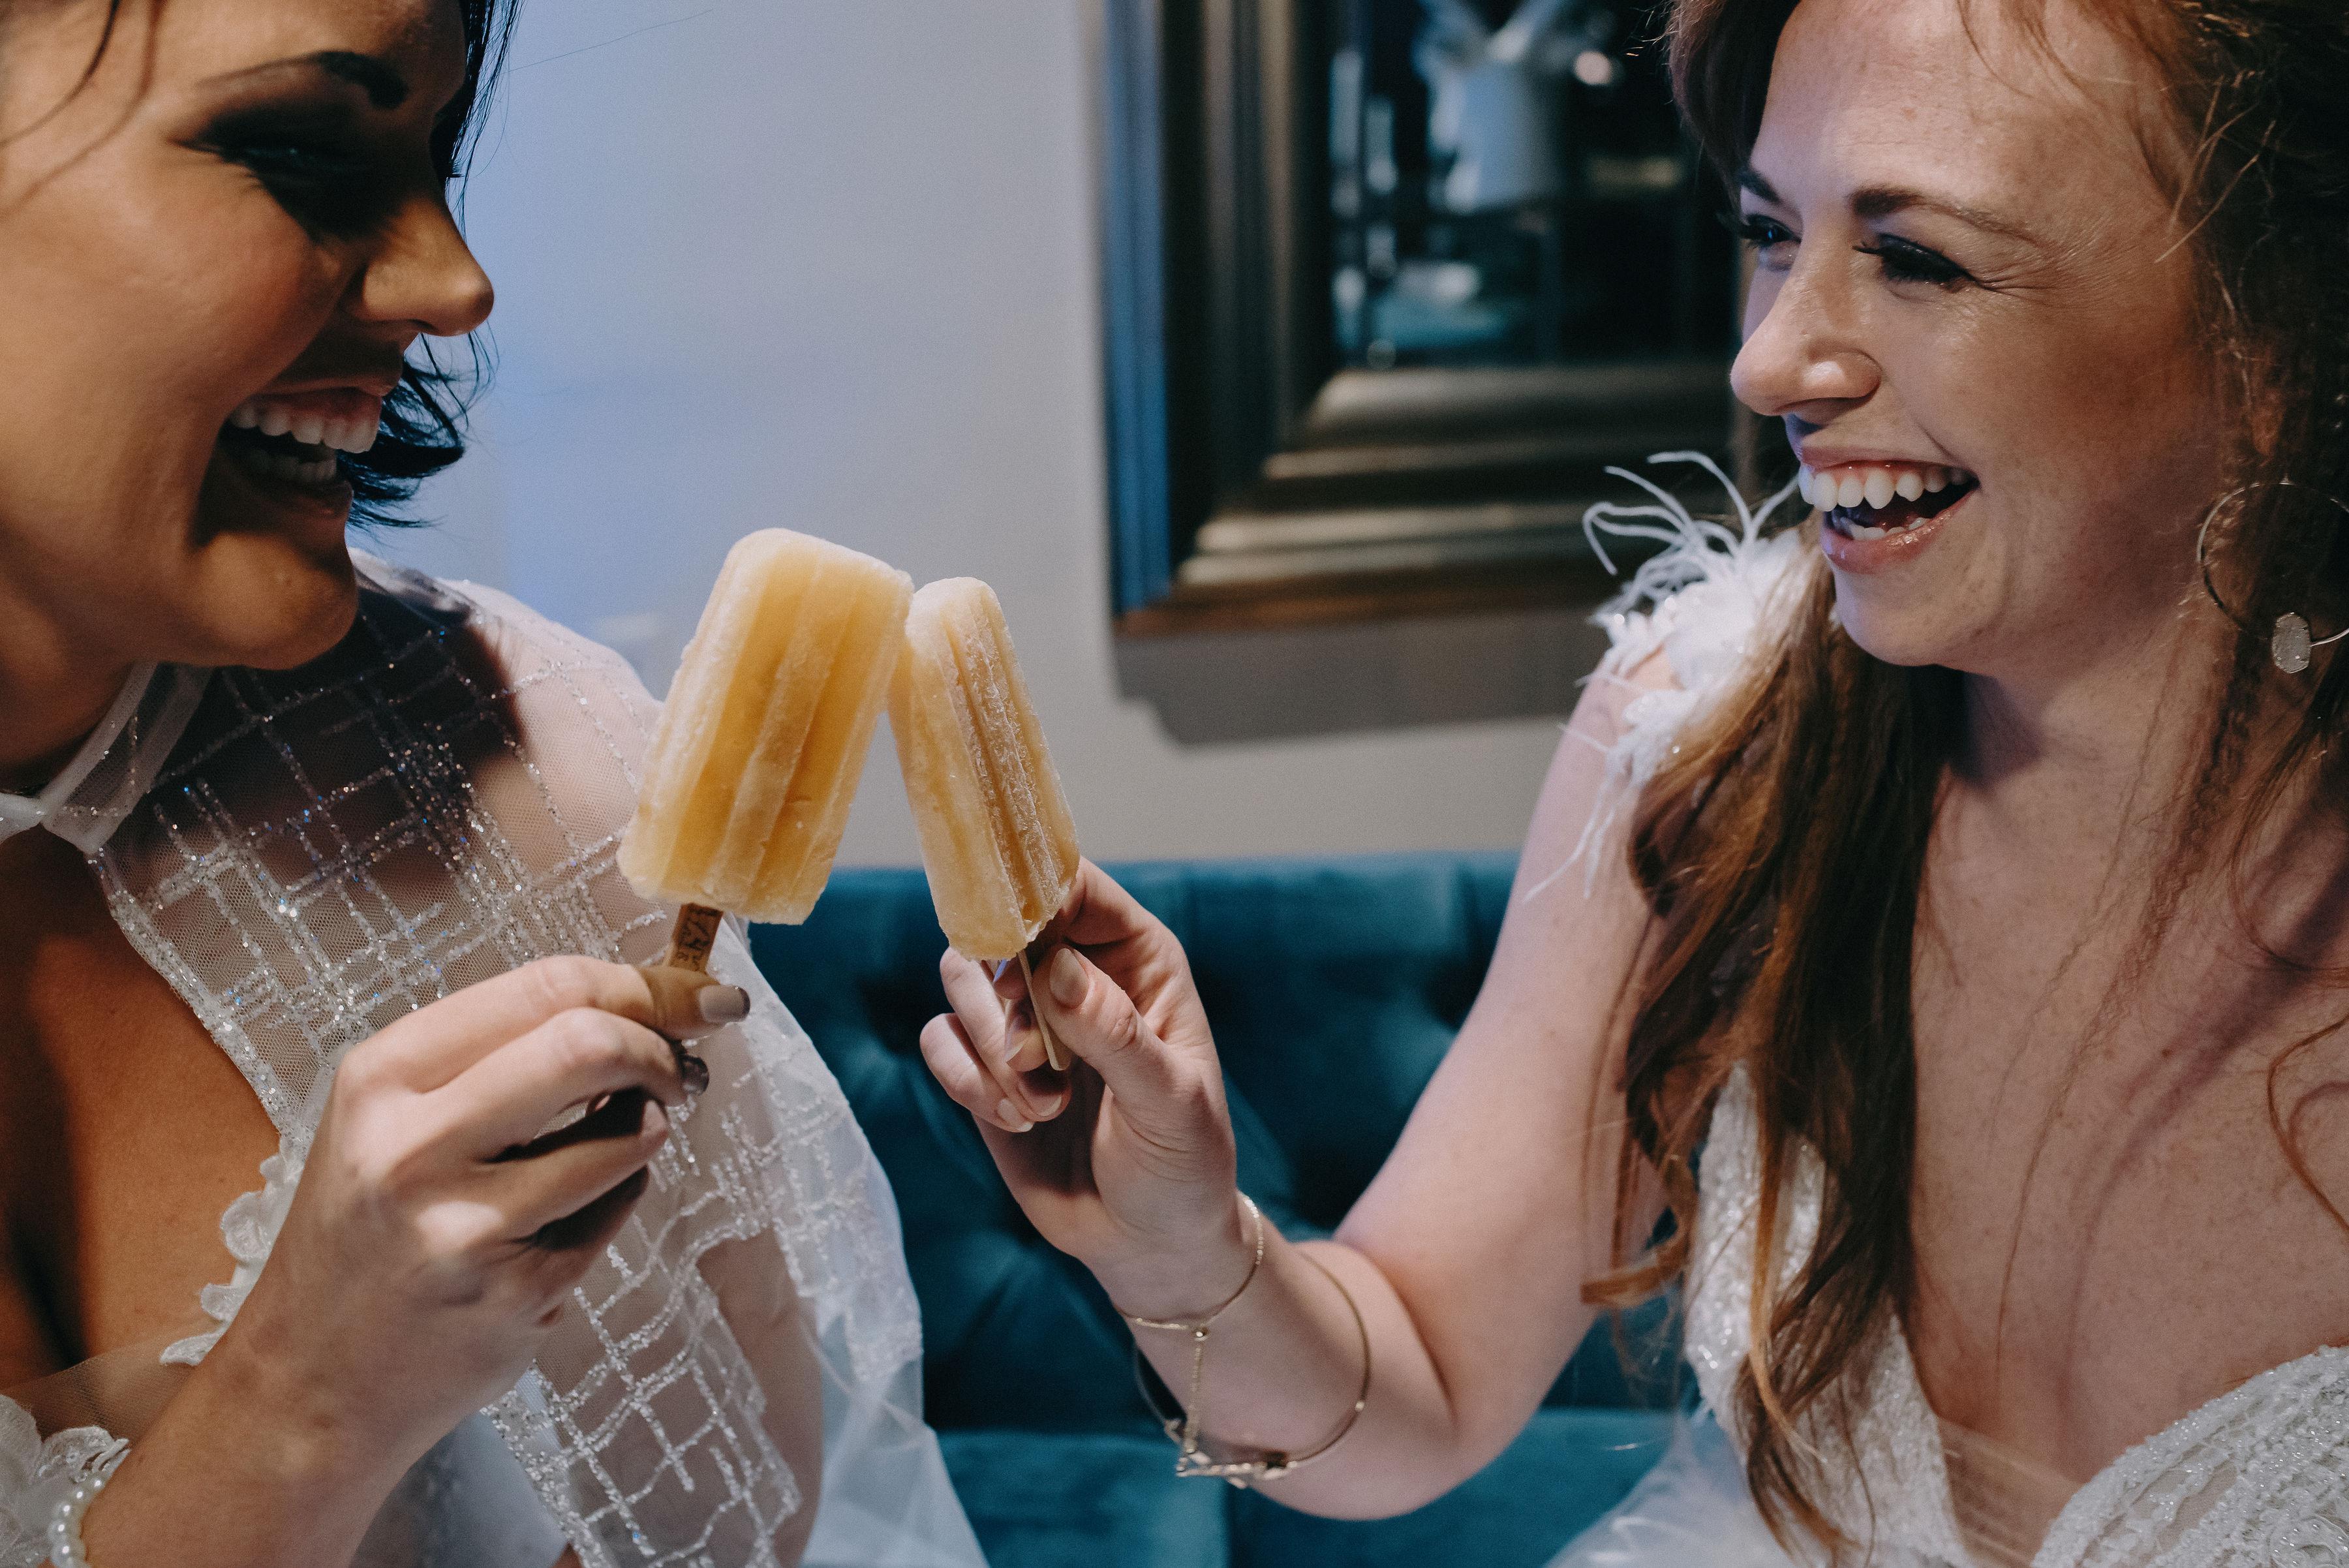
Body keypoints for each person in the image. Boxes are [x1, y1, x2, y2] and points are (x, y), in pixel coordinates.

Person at [917, 0, 2349, 1563]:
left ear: (2277, 339)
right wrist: (1181, 1245)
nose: (1769, 359)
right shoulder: (1709, 742)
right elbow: (1421, 1370)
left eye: (1918, 258)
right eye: (1770, 232)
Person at [0, 3, 981, 1565]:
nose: (456, 285)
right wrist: (303, 1395)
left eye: (436, 152)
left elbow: (763, 1532)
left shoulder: (515, 764)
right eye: (300, 148)